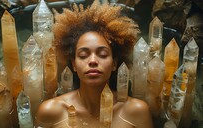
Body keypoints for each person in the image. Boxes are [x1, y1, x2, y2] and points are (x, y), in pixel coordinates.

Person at [36, 0, 153, 128]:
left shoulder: (136, 112)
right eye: (83, 55)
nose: (93, 61)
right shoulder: (51, 111)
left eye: (102, 55)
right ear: (74, 64)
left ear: (114, 63)